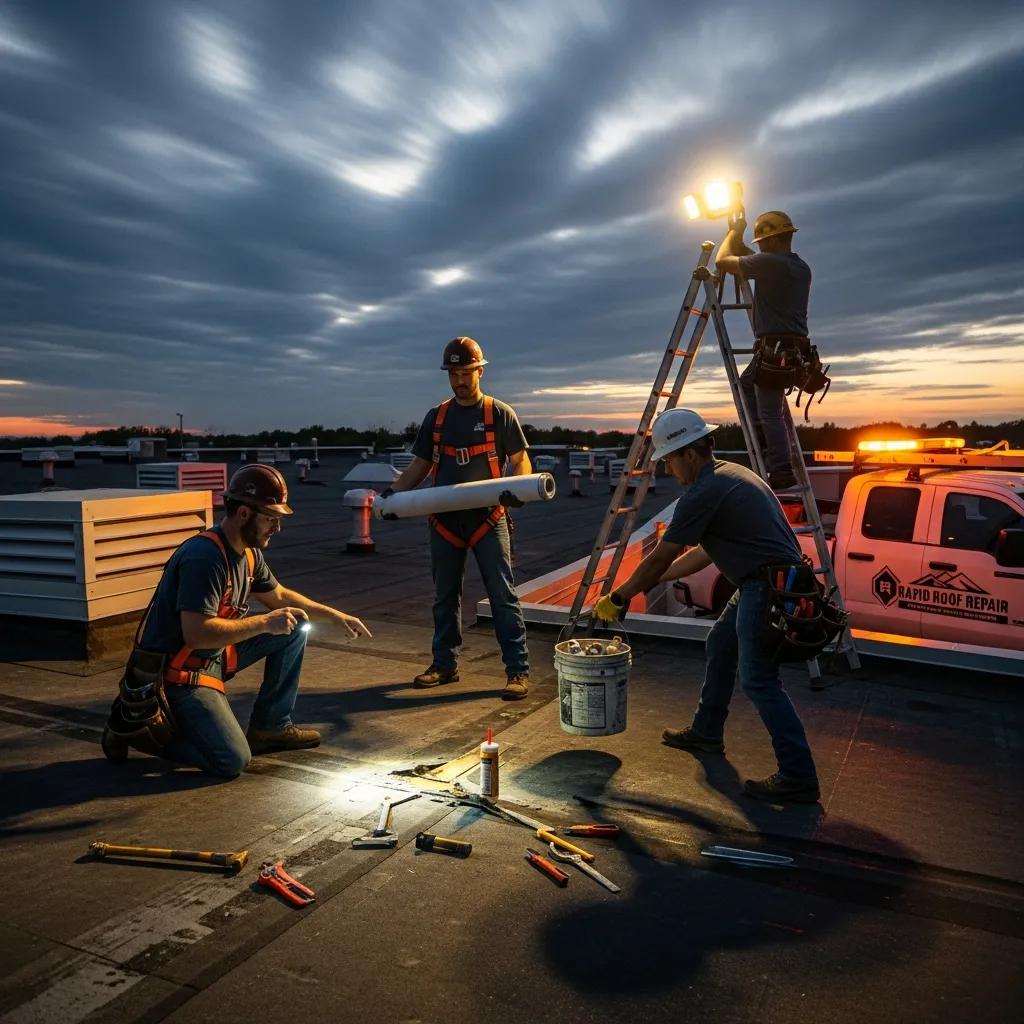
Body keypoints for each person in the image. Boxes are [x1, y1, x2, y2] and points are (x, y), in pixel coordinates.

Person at [590, 407, 820, 803]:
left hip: (764, 587)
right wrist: (656, 579)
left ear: (690, 454)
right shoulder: (731, 475)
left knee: (759, 680)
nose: (667, 470)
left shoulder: (703, 493)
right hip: (771, 581)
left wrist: (619, 596)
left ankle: (799, 775)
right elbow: (704, 554)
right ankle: (707, 732)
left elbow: (661, 556)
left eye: (668, 460)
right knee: (720, 643)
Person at [101, 464, 371, 778]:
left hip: (212, 657)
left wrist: (336, 615)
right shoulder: (205, 558)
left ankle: (271, 728)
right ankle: (136, 732)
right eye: (271, 518)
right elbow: (198, 634)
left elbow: (279, 597)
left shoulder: (249, 553)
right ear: (243, 513)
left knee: (295, 626)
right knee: (231, 760)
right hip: (178, 675)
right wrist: (264, 623)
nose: (276, 528)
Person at [386, 336, 532, 700]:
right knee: (444, 597)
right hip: (444, 522)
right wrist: (394, 496)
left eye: (465, 372)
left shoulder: (499, 414)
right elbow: (420, 465)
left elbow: (520, 459)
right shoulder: (437, 417)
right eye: (453, 373)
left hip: (488, 518)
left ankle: (517, 671)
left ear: (479, 371)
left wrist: (518, 485)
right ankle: (444, 664)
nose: (459, 381)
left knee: (503, 596)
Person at [715, 210, 810, 491]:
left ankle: (780, 470)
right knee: (748, 387)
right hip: (791, 349)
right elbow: (749, 256)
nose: (759, 247)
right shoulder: (798, 266)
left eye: (762, 242)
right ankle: (766, 444)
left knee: (769, 412)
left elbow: (722, 261)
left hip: (776, 349)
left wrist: (733, 232)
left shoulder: (771, 264)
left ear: (771, 241)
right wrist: (741, 237)